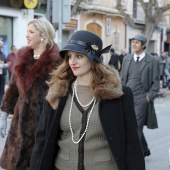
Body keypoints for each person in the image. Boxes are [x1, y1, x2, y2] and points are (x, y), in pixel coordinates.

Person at [29, 30, 145, 170]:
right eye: (69, 56)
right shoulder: (57, 93)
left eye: (79, 56)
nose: (73, 62)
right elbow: (42, 140)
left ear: (94, 59)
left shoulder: (119, 95)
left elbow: (132, 143)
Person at [0, 18, 62, 170]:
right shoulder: (22, 57)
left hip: (42, 125)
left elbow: (61, 96)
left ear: (43, 35)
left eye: (31, 32)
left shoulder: (57, 62)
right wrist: (3, 114)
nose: (26, 35)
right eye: (27, 32)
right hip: (19, 125)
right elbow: (13, 89)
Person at [120, 34, 160, 157]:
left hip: (141, 99)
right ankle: (144, 149)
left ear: (143, 45)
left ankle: (132, 155)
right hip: (127, 97)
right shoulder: (127, 59)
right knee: (129, 125)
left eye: (137, 42)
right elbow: (122, 79)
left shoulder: (152, 61)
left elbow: (156, 83)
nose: (134, 44)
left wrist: (148, 97)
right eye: (133, 42)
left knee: (135, 127)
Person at [0, 40, 7, 105]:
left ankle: (1, 101)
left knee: (2, 88)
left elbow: (5, 63)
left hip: (3, 74)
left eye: (2, 45)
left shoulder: (3, 54)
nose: (1, 46)